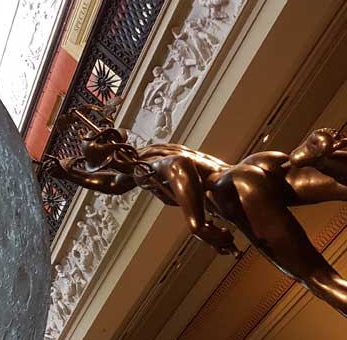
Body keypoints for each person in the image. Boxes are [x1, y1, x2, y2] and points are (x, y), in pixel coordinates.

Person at [42, 110, 347, 317]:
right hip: (253, 166)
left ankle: (316, 158)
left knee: (317, 278)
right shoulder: (154, 150)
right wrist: (71, 175)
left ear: (107, 161)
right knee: (335, 184)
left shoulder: (144, 170)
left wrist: (198, 223)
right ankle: (316, 159)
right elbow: (113, 185)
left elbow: (178, 167)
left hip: (234, 192)